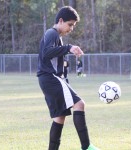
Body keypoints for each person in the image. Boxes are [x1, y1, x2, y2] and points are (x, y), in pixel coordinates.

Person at [37, 6, 100, 150]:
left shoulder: (55, 37)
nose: (71, 28)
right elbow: (46, 53)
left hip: (48, 80)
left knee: (59, 118)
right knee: (80, 104)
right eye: (70, 24)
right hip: (50, 78)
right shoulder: (52, 33)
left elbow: (54, 59)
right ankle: (86, 147)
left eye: (73, 25)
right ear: (60, 20)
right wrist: (69, 48)